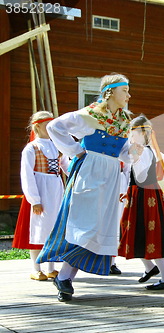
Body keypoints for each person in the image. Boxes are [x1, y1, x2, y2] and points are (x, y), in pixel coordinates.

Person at [36, 73, 134, 302]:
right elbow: (54, 127)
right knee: (84, 225)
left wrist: (134, 153)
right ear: (110, 92)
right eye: (125, 90)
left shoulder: (123, 121)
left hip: (110, 175)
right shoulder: (89, 115)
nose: (129, 95)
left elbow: (123, 153)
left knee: (98, 228)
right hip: (89, 172)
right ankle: (64, 276)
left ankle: (65, 277)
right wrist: (74, 150)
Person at [118, 115, 164, 289]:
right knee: (133, 231)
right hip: (141, 194)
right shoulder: (144, 150)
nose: (131, 135)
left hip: (145, 196)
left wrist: (131, 152)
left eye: (134, 132)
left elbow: (139, 174)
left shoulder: (142, 151)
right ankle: (150, 268)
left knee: (148, 233)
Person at [13, 111, 68, 281]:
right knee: (37, 229)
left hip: (56, 190)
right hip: (40, 191)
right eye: (47, 125)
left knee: (53, 229)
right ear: (37, 126)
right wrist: (35, 200)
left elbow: (66, 166)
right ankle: (35, 268)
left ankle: (51, 267)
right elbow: (27, 175)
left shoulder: (57, 146)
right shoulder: (31, 148)